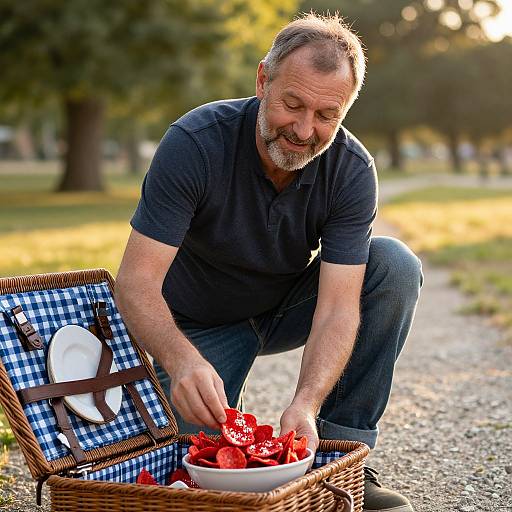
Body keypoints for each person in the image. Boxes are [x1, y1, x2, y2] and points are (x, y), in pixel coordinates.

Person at [115, 13, 422, 512]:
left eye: (327, 114)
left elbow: (338, 308)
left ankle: (342, 462)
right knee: (190, 472)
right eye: (292, 104)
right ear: (263, 80)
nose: (304, 130)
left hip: (281, 309)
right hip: (195, 325)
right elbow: (136, 283)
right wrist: (181, 360)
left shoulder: (351, 168)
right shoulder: (195, 143)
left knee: (393, 265)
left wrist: (307, 402)